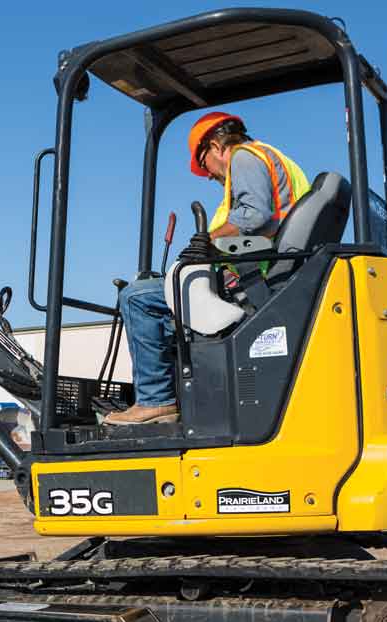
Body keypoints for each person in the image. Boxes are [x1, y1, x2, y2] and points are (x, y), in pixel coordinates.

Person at [105, 112, 309, 425]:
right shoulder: (277, 159)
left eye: (205, 167)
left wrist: (206, 242)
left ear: (215, 146)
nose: (211, 177)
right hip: (269, 272)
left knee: (137, 297)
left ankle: (156, 400)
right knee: (166, 310)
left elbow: (254, 215)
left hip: (251, 276)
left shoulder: (244, 157)